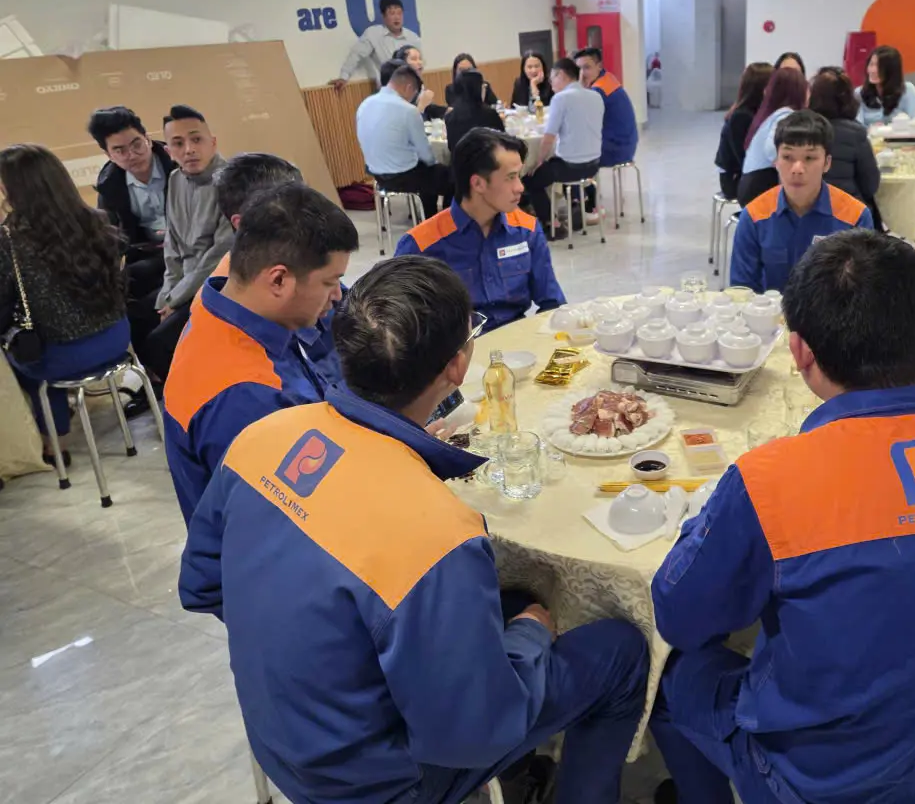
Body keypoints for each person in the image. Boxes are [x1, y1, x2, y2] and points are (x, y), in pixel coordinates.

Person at [179, 255, 649, 804]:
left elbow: (201, 585)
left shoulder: (262, 436)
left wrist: (313, 647)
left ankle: (521, 772)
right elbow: (473, 734)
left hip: (280, 735)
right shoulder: (438, 532)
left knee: (511, 601)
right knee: (619, 651)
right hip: (376, 781)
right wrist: (529, 636)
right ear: (457, 366)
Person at [648, 230, 915, 804]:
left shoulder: (770, 482)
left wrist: (706, 523)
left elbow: (680, 617)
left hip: (819, 785)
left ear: (799, 353)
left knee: (667, 673)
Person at [164, 184, 357, 524]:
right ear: (278, 280)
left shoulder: (228, 306)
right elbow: (298, 520)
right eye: (330, 282)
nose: (337, 296)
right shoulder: (249, 396)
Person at [0, 144, 130, 468]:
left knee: (22, 355)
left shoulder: (10, 241)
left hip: (62, 358)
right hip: (117, 339)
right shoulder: (95, 220)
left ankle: (53, 442)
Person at [396, 128, 564, 332]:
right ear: (478, 183)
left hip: (516, 342)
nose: (520, 187)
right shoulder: (421, 244)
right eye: (510, 177)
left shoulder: (527, 229)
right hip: (459, 346)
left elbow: (552, 303)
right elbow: (401, 325)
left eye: (519, 176)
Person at [202, 153, 345, 387]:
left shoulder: (302, 259)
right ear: (244, 222)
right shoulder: (251, 297)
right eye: (296, 210)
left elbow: (346, 305)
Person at [135, 105, 232, 383]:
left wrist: (175, 299)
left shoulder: (231, 182)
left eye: (196, 139)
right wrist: (167, 295)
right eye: (178, 143)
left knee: (159, 342)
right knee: (135, 318)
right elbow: (173, 245)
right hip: (184, 283)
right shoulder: (175, 180)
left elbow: (220, 254)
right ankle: (161, 387)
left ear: (213, 142)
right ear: (168, 151)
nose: (189, 149)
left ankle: (195, 392)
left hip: (218, 283)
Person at [730, 110, 874, 293]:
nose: (797, 169)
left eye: (809, 158)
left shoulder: (855, 216)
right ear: (776, 161)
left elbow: (863, 291)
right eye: (787, 157)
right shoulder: (754, 216)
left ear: (827, 163)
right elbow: (741, 290)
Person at [89, 105, 176, 297]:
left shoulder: (178, 163)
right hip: (148, 254)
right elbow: (110, 237)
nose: (132, 155)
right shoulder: (109, 186)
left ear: (148, 140)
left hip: (190, 248)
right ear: (109, 155)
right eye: (120, 150)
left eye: (137, 144)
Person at [524, 58, 604, 237]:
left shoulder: (560, 99)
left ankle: (551, 224)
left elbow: (549, 137)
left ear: (561, 75)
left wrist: (539, 161)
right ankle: (576, 205)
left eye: (552, 77)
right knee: (560, 163)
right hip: (593, 165)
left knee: (531, 179)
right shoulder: (596, 96)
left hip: (569, 168)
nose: (551, 82)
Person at [356, 62, 446, 217]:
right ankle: (439, 222)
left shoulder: (364, 104)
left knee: (431, 176)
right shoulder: (408, 111)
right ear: (408, 88)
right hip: (403, 176)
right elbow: (426, 155)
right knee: (451, 178)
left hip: (376, 173)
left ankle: (427, 219)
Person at [576, 46, 639, 219]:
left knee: (576, 157)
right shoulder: (608, 78)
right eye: (578, 68)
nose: (582, 73)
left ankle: (591, 206)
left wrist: (579, 89)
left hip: (615, 147)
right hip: (627, 142)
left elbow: (582, 120)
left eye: (587, 68)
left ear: (599, 66)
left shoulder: (598, 90)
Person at [807, 66, 880, 206]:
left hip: (807, 208)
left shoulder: (801, 129)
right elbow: (870, 185)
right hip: (847, 208)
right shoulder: (856, 133)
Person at [736, 67, 808, 207]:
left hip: (749, 184)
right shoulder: (786, 115)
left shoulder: (770, 114)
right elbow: (771, 150)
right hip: (760, 187)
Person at [329, 0, 422, 90]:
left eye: (399, 13)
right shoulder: (373, 34)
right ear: (384, 16)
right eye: (392, 13)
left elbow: (419, 66)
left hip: (413, 89)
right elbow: (356, 55)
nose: (397, 17)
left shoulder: (412, 38)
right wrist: (344, 77)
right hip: (389, 90)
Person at [714, 62, 772, 200]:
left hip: (745, 173)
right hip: (734, 179)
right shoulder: (741, 116)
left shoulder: (757, 112)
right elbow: (743, 158)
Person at [857, 45, 915, 126]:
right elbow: (856, 126)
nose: (873, 70)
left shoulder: (908, 90)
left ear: (891, 70)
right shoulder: (859, 93)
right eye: (871, 64)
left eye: (879, 66)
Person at [446, 69, 505, 152]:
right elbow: (503, 141)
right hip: (487, 159)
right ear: (477, 89)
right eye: (483, 86)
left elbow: (450, 146)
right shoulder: (489, 114)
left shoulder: (450, 116)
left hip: (460, 160)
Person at [391, 46, 446, 120]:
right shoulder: (398, 90)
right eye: (414, 59)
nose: (419, 62)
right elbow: (406, 122)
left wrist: (447, 111)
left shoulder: (418, 86)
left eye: (420, 58)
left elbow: (429, 109)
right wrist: (422, 105)